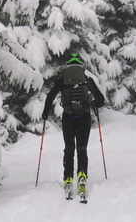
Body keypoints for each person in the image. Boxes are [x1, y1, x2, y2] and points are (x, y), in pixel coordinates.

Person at [41, 54, 105, 200]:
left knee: (69, 148)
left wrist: (45, 112)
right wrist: (91, 104)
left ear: (68, 65)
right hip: (84, 117)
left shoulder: (63, 79)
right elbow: (101, 100)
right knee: (82, 148)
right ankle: (82, 176)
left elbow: (50, 95)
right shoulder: (86, 78)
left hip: (68, 117)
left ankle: (68, 178)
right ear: (80, 65)